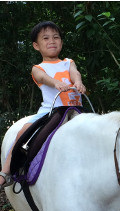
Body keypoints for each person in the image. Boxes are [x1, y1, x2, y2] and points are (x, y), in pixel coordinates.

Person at [0, 21, 86, 189]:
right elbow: (41, 77)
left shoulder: (68, 62)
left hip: (76, 110)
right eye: (45, 38)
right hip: (51, 110)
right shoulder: (38, 67)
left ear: (61, 42)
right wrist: (55, 83)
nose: (51, 41)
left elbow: (75, 73)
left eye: (56, 37)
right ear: (36, 45)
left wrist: (79, 82)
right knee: (23, 132)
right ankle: (5, 172)